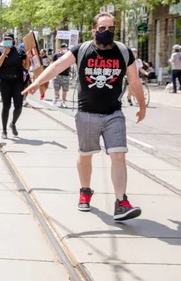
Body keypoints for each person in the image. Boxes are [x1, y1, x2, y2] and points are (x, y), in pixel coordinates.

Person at [23, 13, 146, 221]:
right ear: (93, 30)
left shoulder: (123, 52)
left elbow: (134, 81)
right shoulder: (81, 50)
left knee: (118, 155)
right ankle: (85, 191)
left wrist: (142, 106)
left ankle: (121, 202)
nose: (107, 32)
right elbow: (56, 66)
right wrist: (36, 82)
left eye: (111, 28)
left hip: (114, 114)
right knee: (86, 154)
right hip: (87, 113)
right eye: (102, 28)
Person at [0, 33, 29, 139]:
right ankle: (4, 130)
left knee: (18, 106)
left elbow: (26, 66)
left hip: (17, 81)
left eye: (9, 39)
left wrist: (28, 57)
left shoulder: (19, 51)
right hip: (4, 81)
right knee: (6, 106)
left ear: (13, 40)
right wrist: (4, 54)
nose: (7, 41)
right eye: (5, 39)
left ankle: (13, 123)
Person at [52, 43, 70, 108]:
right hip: (57, 74)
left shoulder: (69, 55)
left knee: (65, 89)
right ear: (60, 48)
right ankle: (56, 96)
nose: (65, 49)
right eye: (63, 48)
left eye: (66, 48)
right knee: (56, 88)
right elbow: (52, 65)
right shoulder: (56, 55)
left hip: (66, 75)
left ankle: (63, 102)